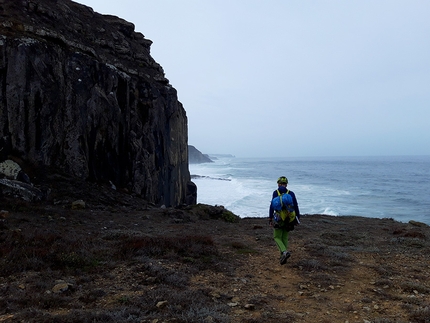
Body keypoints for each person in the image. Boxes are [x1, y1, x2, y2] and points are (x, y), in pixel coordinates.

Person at [269, 176, 301, 265]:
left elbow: (272, 206)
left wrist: (270, 218)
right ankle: (282, 257)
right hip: (289, 218)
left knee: (276, 237)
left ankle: (284, 252)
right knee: (284, 237)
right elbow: (296, 206)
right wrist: (297, 218)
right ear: (286, 184)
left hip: (279, 218)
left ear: (278, 184)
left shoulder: (276, 193)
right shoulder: (291, 193)